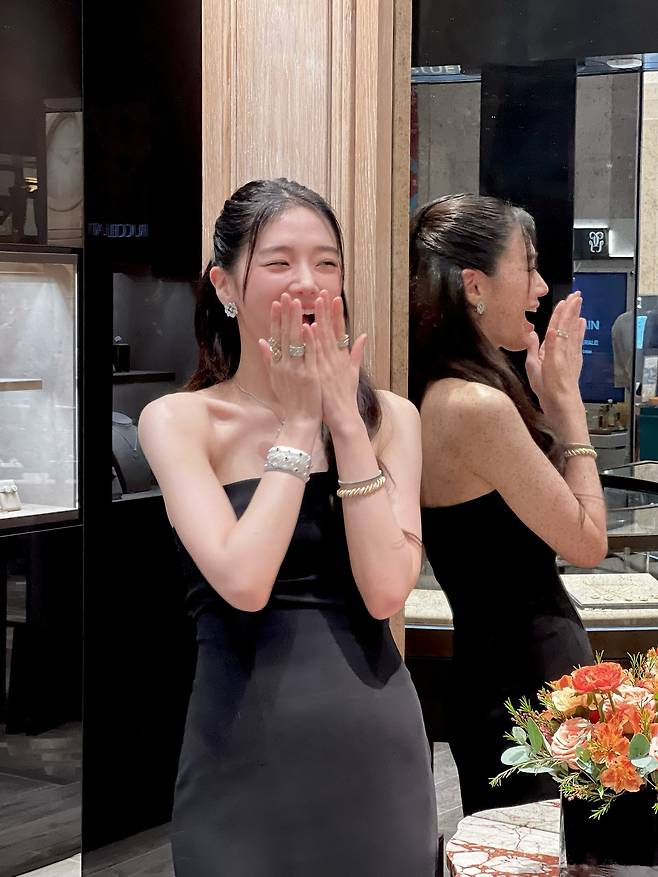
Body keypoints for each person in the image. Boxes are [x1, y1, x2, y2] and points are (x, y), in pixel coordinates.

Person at [138, 179, 438, 876]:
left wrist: (345, 424)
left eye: (326, 263)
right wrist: (300, 427)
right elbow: (244, 581)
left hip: (376, 756)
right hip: (240, 755)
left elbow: (386, 590)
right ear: (225, 286)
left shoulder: (392, 419)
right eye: (279, 262)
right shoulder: (181, 421)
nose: (307, 281)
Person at [409, 193, 607, 816]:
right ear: (474, 285)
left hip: (493, 674)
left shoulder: (436, 392)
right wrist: (568, 408)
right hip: (531, 682)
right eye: (529, 266)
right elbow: (588, 542)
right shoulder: (477, 405)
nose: (541, 288)